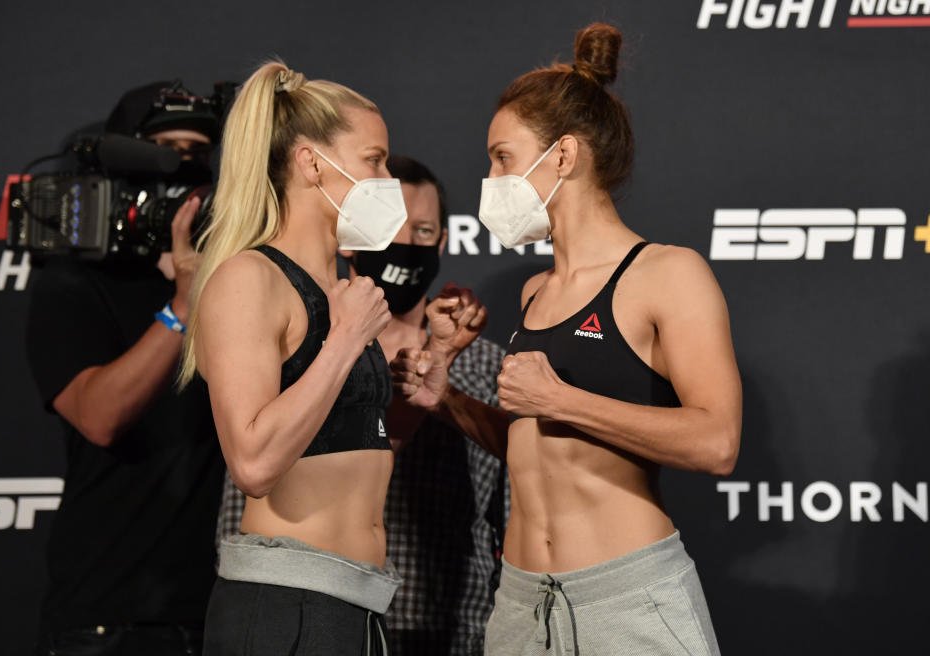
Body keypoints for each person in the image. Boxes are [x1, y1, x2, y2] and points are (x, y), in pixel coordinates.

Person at [392, 23, 742, 656]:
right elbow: (538, 446)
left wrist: (562, 400)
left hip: (627, 598)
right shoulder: (534, 292)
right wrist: (449, 401)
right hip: (522, 605)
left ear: (563, 155)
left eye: (502, 156)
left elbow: (716, 442)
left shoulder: (667, 273)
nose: (491, 175)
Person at [215, 154, 509, 656]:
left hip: (451, 625)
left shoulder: (483, 363)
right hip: (327, 609)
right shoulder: (301, 336)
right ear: (360, 232)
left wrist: (439, 357)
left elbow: (509, 513)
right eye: (394, 228)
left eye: (423, 231)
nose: (407, 246)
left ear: (443, 240)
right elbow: (254, 477)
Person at [179, 61, 404, 655]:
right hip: (287, 606)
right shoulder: (247, 278)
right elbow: (253, 463)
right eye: (374, 160)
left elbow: (345, 441)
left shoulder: (341, 284)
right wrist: (345, 340)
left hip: (357, 602)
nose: (387, 179)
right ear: (311, 163)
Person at [27, 82, 225, 655]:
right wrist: (183, 306)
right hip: (111, 618)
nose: (180, 167)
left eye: (195, 151)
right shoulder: (72, 283)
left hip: (219, 614)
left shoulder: (233, 284)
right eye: (163, 147)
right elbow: (100, 416)